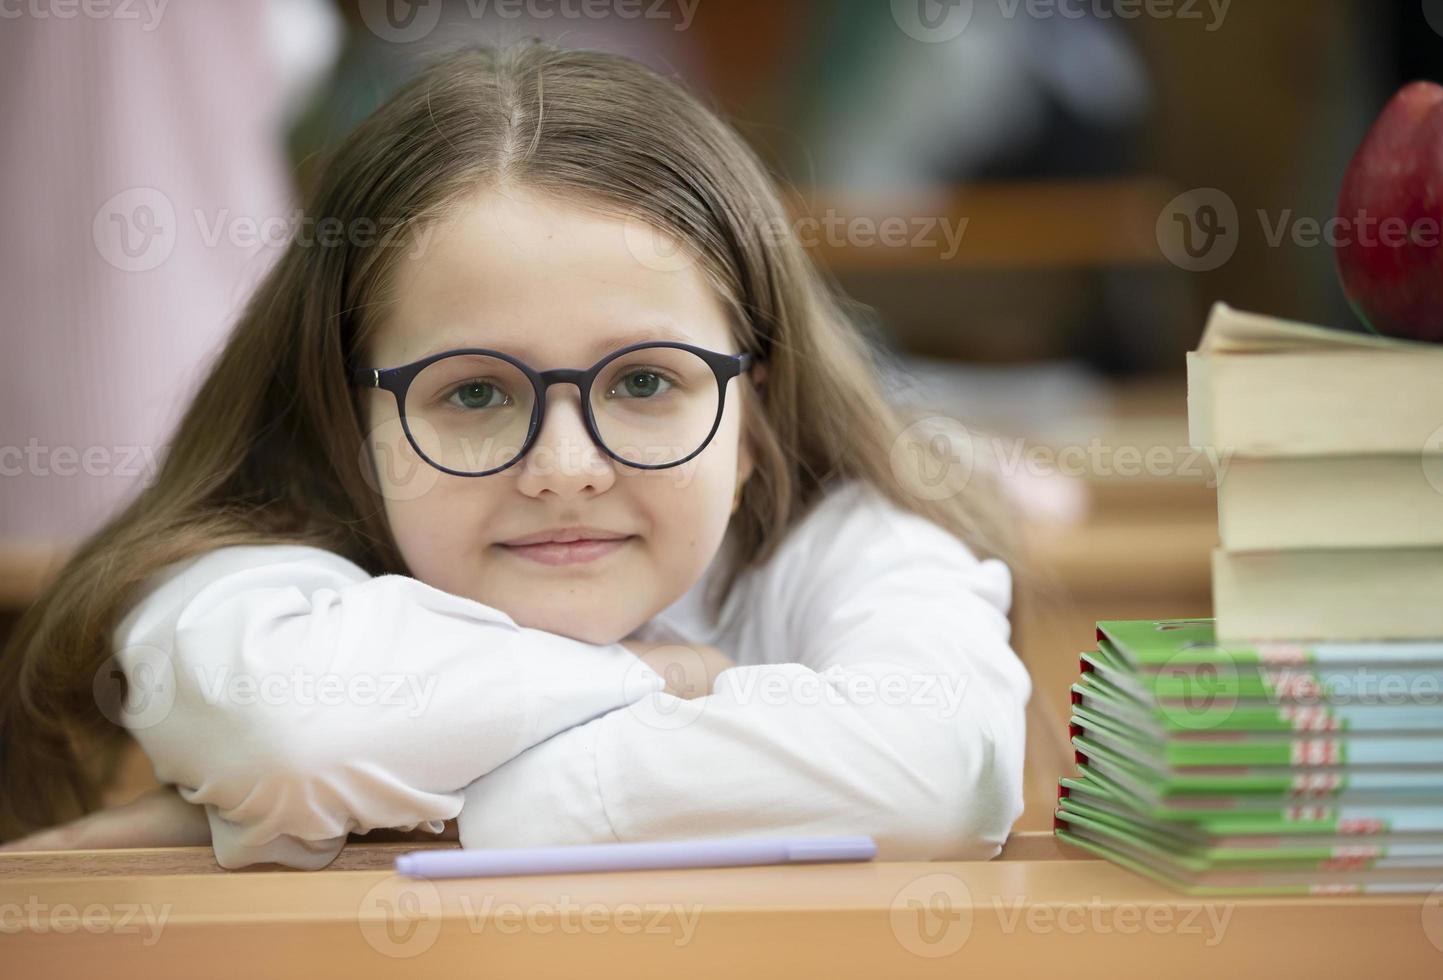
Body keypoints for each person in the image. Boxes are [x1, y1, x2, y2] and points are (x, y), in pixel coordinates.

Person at [0, 41, 1031, 870]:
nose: (566, 465)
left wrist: (389, 812)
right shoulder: (250, 574)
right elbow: (301, 734)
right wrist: (657, 677)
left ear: (754, 418)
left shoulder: (846, 540)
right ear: (349, 422)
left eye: (643, 381)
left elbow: (947, 766)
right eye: (478, 393)